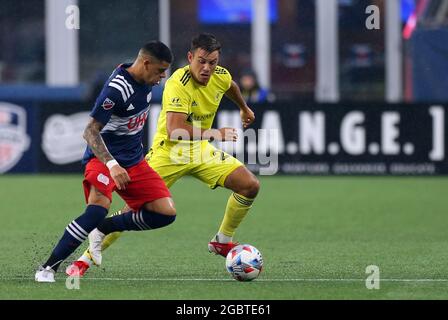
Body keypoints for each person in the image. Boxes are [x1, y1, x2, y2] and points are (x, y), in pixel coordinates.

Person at [66, 33, 260, 277]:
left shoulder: (220, 75)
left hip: (200, 151)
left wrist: (244, 107)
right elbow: (175, 130)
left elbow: (230, 85)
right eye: (201, 61)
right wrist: (216, 132)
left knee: (249, 185)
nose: (207, 68)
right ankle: (84, 259)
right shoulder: (177, 83)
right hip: (169, 153)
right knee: (131, 211)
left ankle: (222, 240)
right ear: (190, 57)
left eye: (212, 62)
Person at [35, 41, 175, 282]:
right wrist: (112, 165)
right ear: (146, 63)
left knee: (165, 213)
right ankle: (48, 268)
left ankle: (105, 228)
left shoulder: (145, 81)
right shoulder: (116, 89)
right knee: (96, 210)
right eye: (160, 70)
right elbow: (90, 131)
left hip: (134, 161)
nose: (163, 76)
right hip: (104, 160)